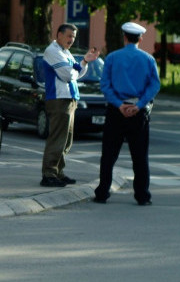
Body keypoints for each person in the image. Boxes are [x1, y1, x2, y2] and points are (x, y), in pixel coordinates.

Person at [93, 21, 161, 206]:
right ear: (140, 38)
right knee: (139, 156)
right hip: (137, 112)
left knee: (108, 155)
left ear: (124, 37)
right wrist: (139, 105)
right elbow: (154, 85)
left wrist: (117, 104)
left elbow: (105, 84)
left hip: (116, 111)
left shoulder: (113, 58)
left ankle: (102, 192)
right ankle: (142, 195)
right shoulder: (148, 59)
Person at [39, 23, 99, 187]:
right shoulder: (53, 51)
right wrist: (77, 68)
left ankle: (58, 172)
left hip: (69, 99)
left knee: (66, 140)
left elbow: (78, 71)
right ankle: (49, 174)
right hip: (59, 99)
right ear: (59, 35)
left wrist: (84, 61)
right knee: (57, 138)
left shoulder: (65, 52)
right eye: (68, 36)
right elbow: (68, 75)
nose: (71, 40)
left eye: (73, 37)